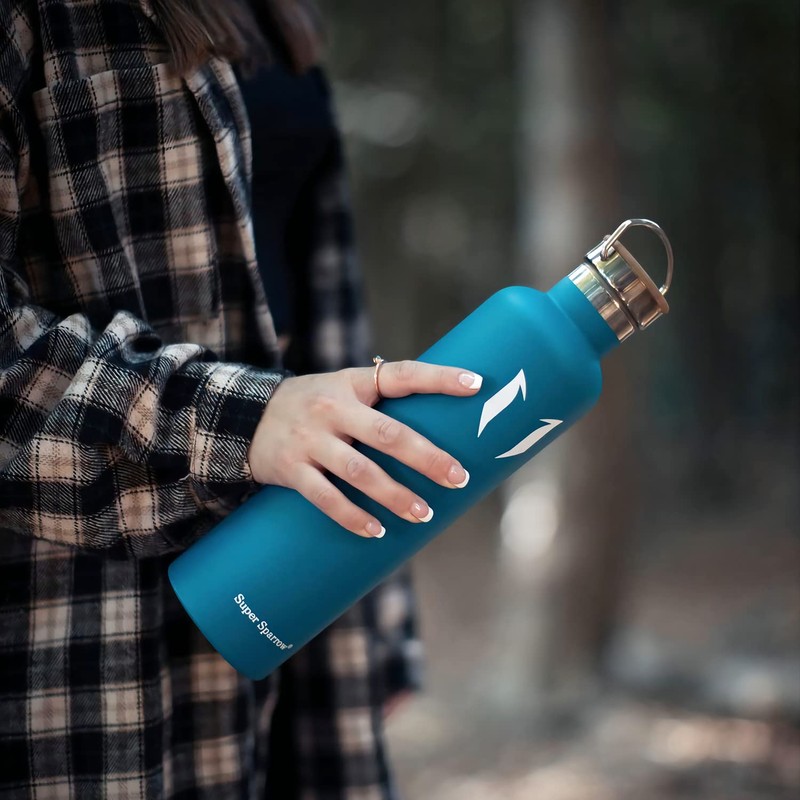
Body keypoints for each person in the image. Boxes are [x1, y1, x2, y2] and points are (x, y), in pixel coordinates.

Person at [0, 0, 481, 797]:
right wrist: (244, 421)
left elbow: (325, 303)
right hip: (86, 622)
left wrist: (379, 604)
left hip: (302, 561)